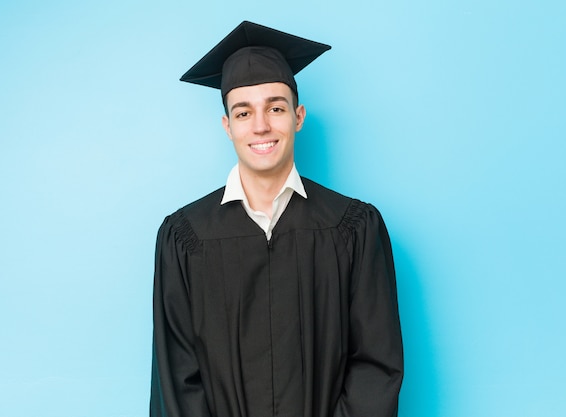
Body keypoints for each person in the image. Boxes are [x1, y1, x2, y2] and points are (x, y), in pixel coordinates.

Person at [150, 21, 404, 417]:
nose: (261, 125)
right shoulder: (185, 238)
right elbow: (176, 377)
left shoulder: (352, 227)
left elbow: (376, 363)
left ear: (298, 117)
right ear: (227, 126)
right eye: (244, 111)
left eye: (276, 107)